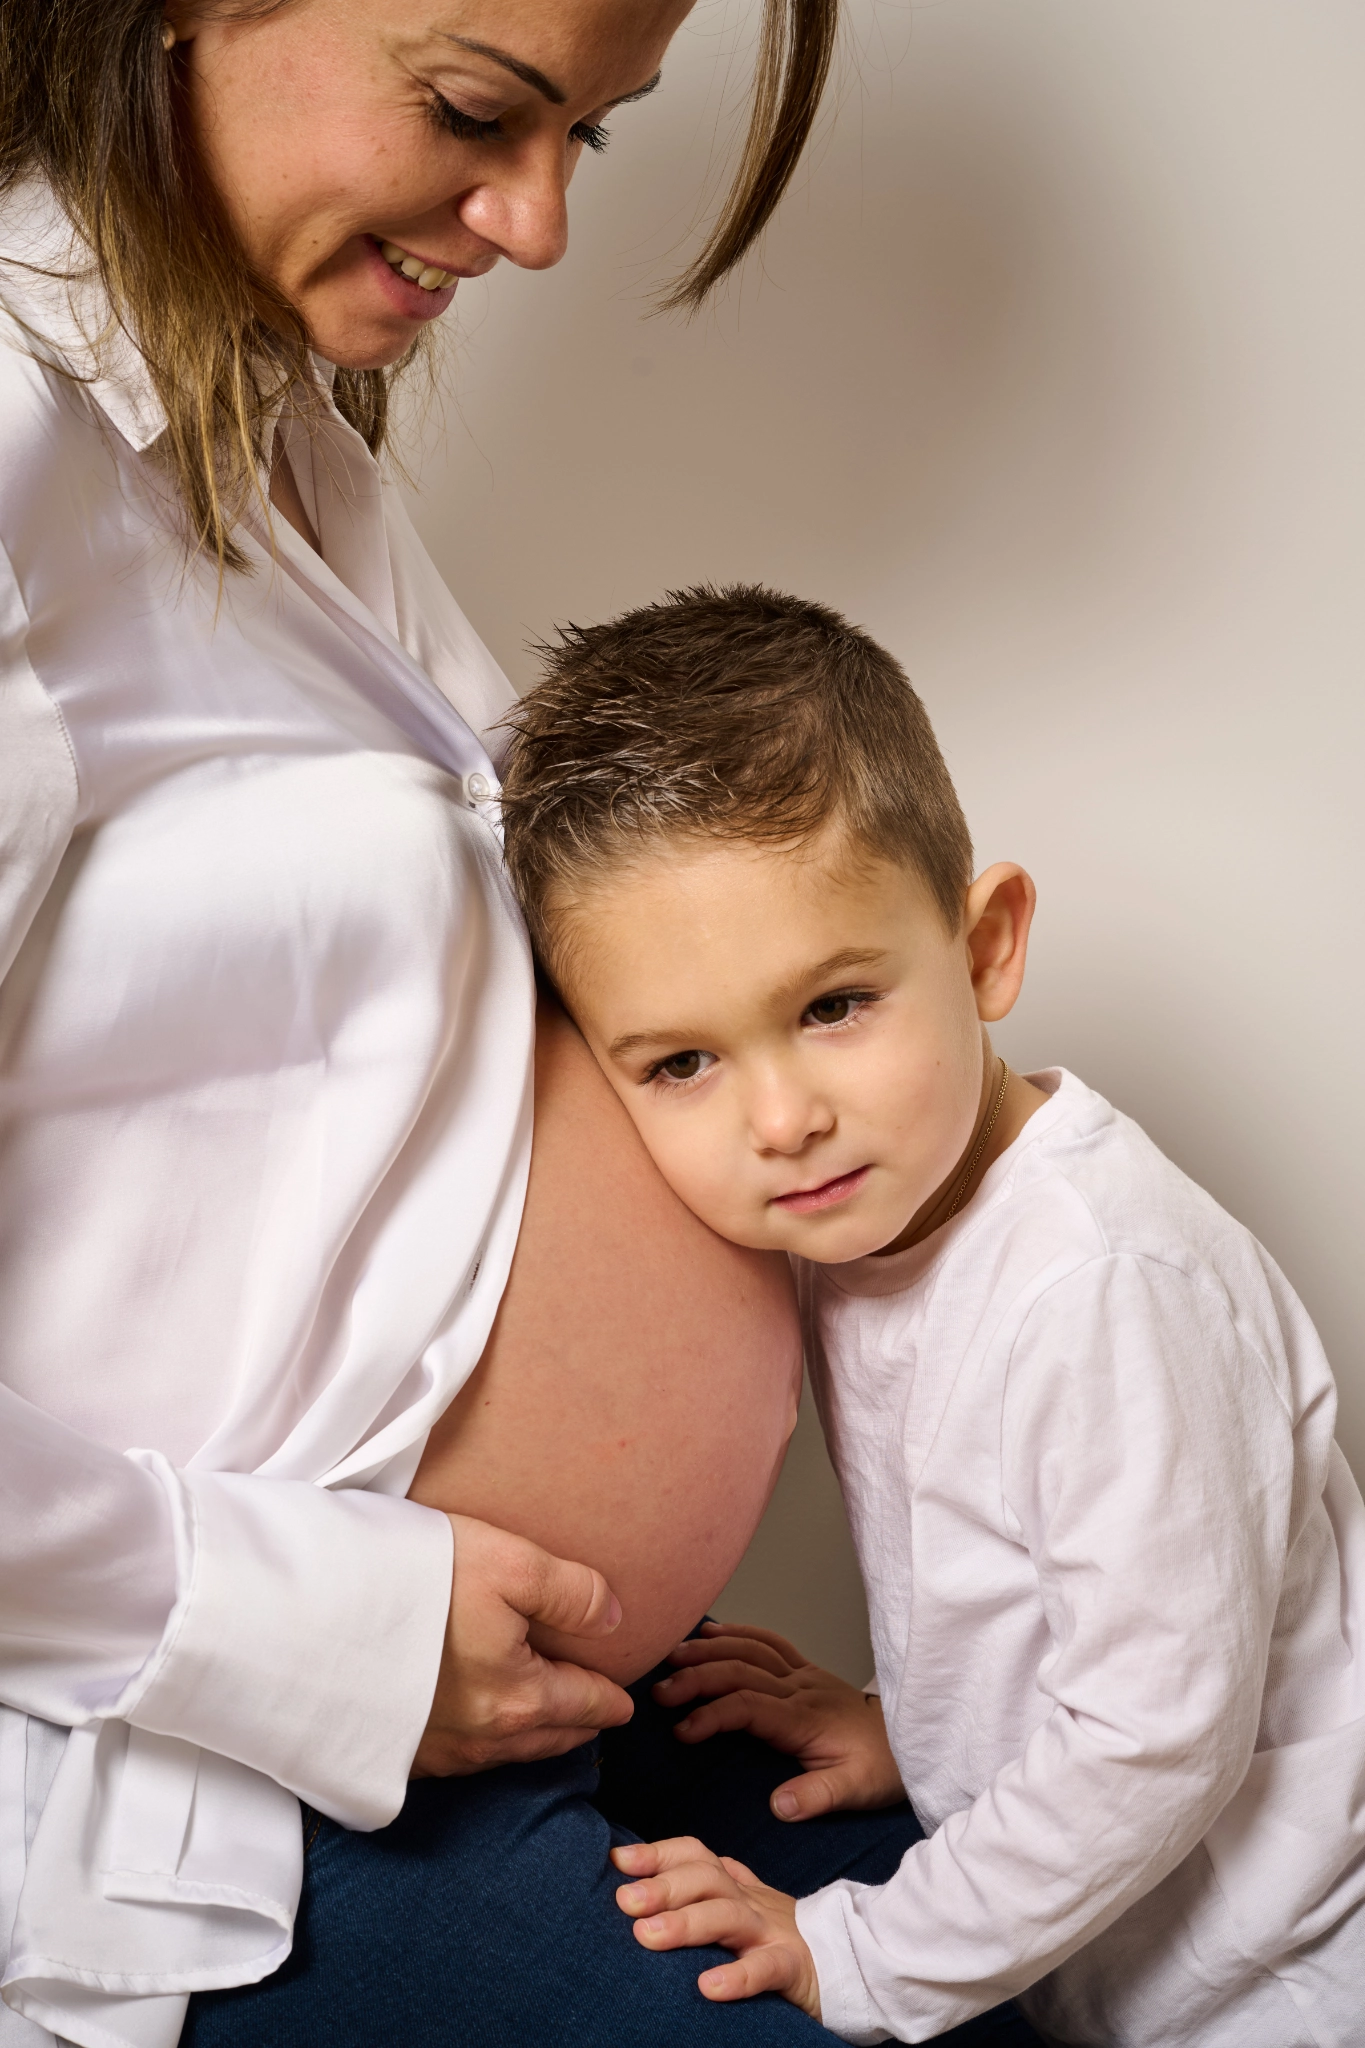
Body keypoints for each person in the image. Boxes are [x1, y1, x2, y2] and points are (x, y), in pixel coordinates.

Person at [0, 7, 968, 2048]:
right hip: (230, 1786)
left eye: (587, 143)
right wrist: (315, 1633)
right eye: (472, 110)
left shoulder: (268, 448)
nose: (531, 223)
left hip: (564, 1706)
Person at [497, 583, 1365, 2046]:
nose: (783, 1116)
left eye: (834, 1006)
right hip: (1114, 1953)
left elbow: (1157, 1737)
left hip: (1278, 1981)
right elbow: (1063, 1596)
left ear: (984, 951)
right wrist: (918, 1731)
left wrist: (865, 1951)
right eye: (682, 1064)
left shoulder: (1100, 1286)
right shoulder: (872, 1216)